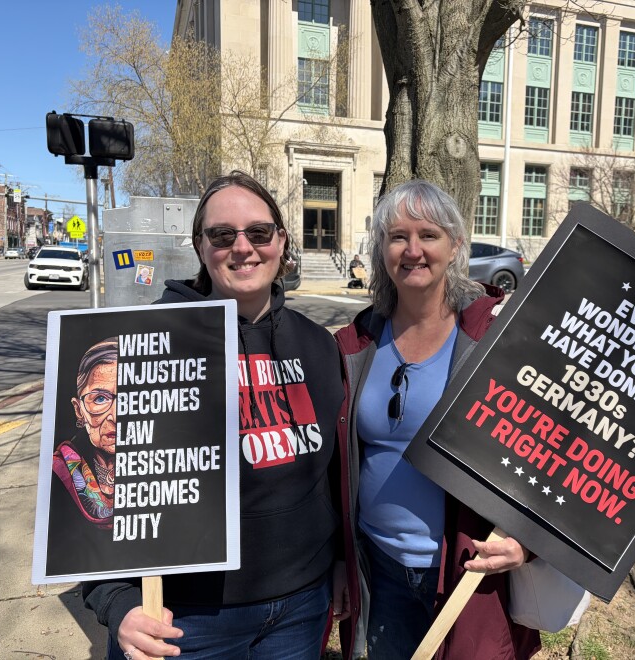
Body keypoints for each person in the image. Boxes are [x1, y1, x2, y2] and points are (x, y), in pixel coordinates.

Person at [83, 171, 350, 659]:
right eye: (223, 235)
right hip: (184, 618)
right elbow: (103, 480)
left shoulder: (318, 347)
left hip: (300, 609)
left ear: (282, 241)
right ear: (201, 247)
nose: (242, 247)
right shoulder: (145, 345)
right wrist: (117, 602)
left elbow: (332, 477)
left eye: (259, 233)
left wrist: (338, 562)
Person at [335, 180, 542, 659]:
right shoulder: (356, 343)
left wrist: (528, 543)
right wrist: (341, 557)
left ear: (455, 246)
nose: (412, 250)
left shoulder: (498, 336)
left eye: (428, 235)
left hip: (468, 572)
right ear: (381, 250)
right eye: (397, 236)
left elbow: (555, 449)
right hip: (378, 567)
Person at [53, 337, 118, 528]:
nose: (115, 415)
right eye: (99, 399)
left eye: (131, 397)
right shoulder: (59, 472)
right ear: (78, 409)